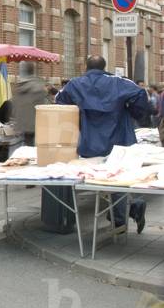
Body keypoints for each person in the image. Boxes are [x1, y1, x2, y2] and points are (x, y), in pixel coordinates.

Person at [56, 56, 150, 232]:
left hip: (90, 140)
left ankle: (121, 216)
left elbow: (59, 101)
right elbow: (140, 93)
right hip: (119, 139)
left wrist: (77, 116)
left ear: (87, 66)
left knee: (99, 179)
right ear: (104, 66)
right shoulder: (118, 82)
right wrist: (133, 111)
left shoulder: (75, 84)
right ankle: (124, 214)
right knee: (117, 179)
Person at [12, 62, 48, 146]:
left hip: (23, 124)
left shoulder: (20, 86)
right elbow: (43, 107)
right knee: (36, 146)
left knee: (27, 144)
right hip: (36, 123)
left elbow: (16, 105)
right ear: (33, 70)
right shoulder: (38, 86)